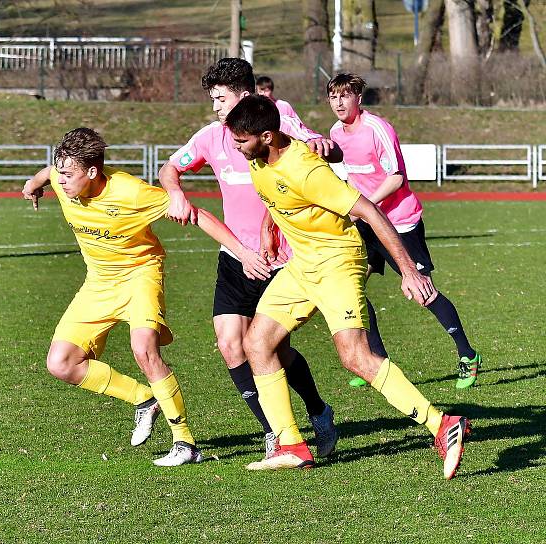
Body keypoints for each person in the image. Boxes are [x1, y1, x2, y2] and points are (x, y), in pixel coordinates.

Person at [225, 94, 470, 479]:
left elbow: (370, 211)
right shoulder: (258, 160)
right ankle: (291, 445)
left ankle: (441, 424)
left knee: (356, 358)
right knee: (256, 343)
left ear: (268, 136)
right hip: (300, 266)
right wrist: (268, 232)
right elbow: (273, 200)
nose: (236, 147)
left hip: (338, 263)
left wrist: (409, 270)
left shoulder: (306, 171)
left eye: (241, 140)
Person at [22, 127, 270, 466]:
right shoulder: (62, 177)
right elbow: (46, 173)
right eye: (59, 173)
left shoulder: (131, 193)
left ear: (93, 172)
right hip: (98, 283)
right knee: (60, 363)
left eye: (67, 175)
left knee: (143, 350)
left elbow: (196, 215)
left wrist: (242, 252)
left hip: (140, 275)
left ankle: (185, 444)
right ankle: (143, 399)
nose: (61, 181)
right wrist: (35, 184)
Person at [158, 57, 341, 460]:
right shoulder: (210, 136)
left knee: (273, 350)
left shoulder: (277, 119)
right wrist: (174, 190)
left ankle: (318, 410)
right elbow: (170, 167)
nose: (215, 107)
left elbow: (312, 143)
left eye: (220, 98)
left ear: (246, 95)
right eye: (212, 99)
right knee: (230, 345)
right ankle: (275, 432)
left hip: (281, 260)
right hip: (235, 257)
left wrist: (320, 144)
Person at [326, 73, 481, 389]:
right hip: (367, 224)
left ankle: (468, 355)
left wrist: (366, 205)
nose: (338, 103)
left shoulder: (377, 130)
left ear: (358, 98)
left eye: (344, 96)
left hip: (399, 222)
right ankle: (375, 361)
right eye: (333, 97)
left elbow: (396, 178)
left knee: (422, 291)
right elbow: (349, 178)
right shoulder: (334, 134)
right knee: (352, 287)